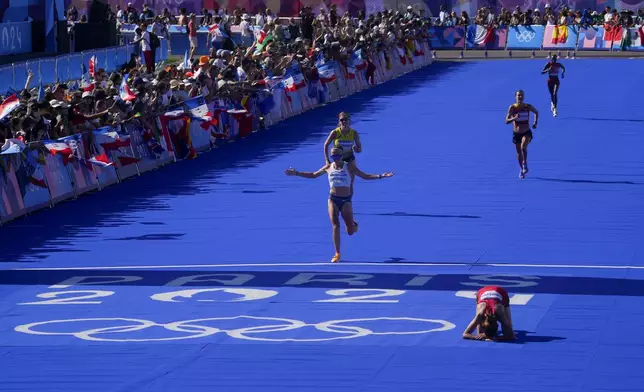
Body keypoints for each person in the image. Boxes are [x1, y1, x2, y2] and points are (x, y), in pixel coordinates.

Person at [285, 146, 393, 263]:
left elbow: (365, 176)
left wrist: (381, 176)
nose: (335, 158)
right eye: (333, 156)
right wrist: (296, 173)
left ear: (341, 156)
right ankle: (337, 253)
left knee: (350, 231)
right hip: (333, 199)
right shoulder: (328, 167)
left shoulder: (349, 167)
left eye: (337, 156)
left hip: (346, 200)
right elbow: (313, 174)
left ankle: (353, 224)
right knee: (335, 225)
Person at [323, 112, 362, 194]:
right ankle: (336, 199)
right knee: (337, 182)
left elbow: (359, 149)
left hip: (350, 159)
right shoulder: (335, 133)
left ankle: (348, 202)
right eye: (342, 120)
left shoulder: (354, 133)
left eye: (346, 119)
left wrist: (356, 149)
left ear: (349, 121)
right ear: (339, 122)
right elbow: (326, 145)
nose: (344, 121)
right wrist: (327, 160)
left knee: (350, 183)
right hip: (338, 159)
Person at [505, 90, 538, 179]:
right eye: (518, 95)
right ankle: (522, 169)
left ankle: (525, 163)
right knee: (519, 153)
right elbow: (506, 121)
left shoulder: (528, 107)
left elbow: (536, 112)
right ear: (515, 97)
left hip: (526, 132)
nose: (520, 97)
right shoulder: (512, 108)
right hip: (516, 133)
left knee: (523, 147)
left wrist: (535, 123)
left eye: (521, 95)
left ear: (523, 97)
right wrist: (514, 118)